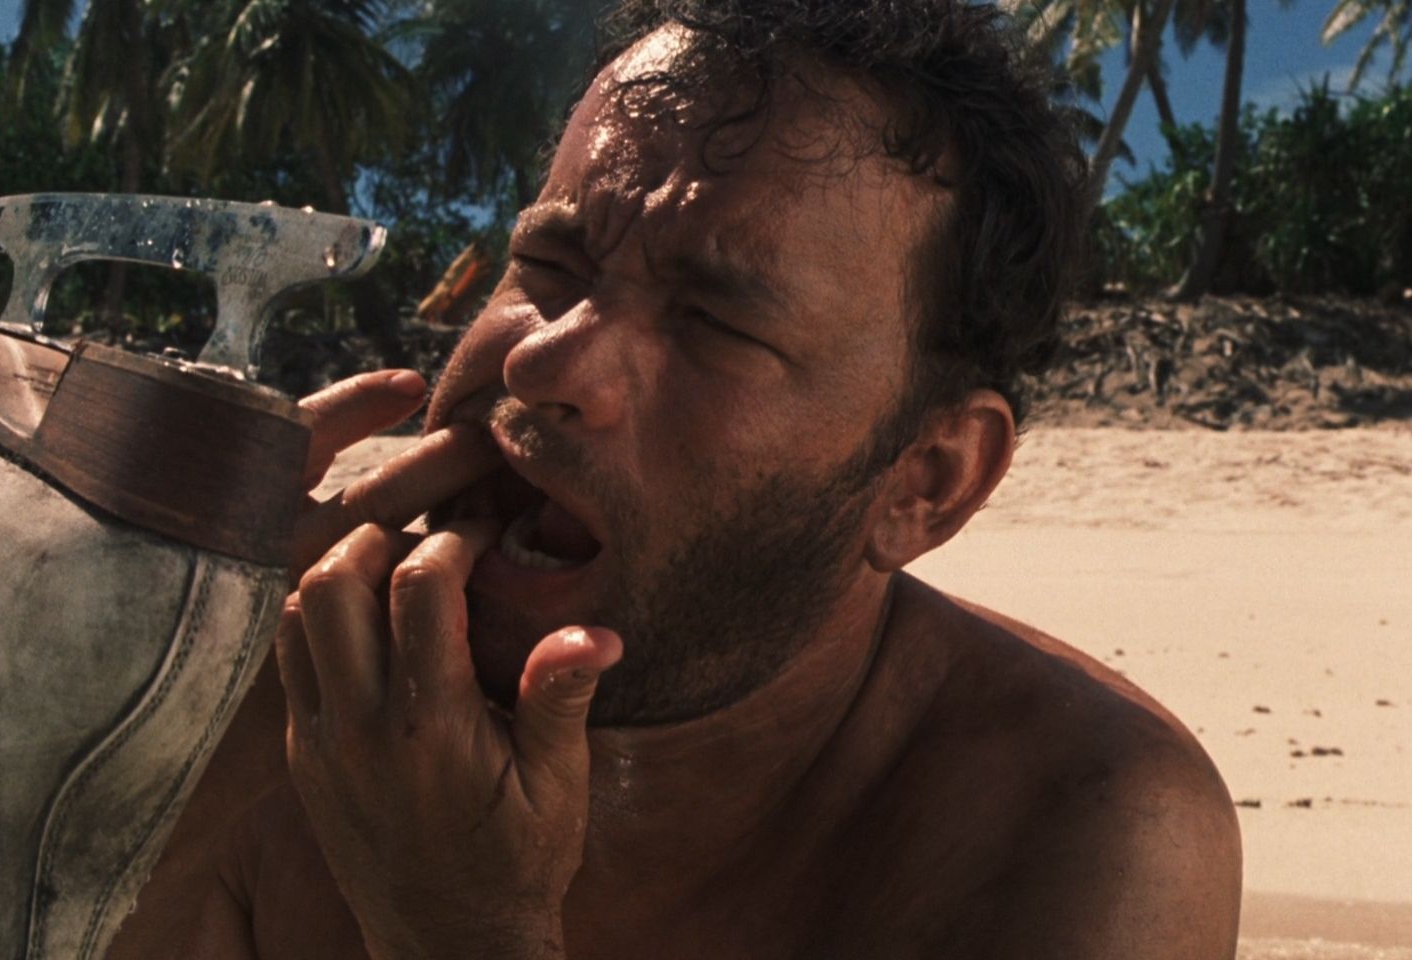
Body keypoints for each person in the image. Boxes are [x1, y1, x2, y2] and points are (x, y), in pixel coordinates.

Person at [110, 2, 1242, 957]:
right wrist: (138, 694)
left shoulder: (1071, 819)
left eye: (712, 321)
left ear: (926, 484)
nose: (543, 359)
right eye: (550, 263)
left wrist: (458, 929)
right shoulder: (258, 701)